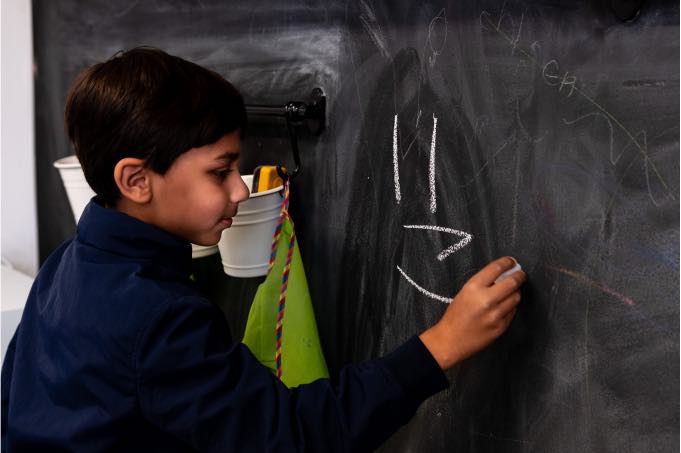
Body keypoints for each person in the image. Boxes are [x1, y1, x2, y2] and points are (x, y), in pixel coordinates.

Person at [1, 47, 526, 452]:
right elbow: (291, 439)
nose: (241, 189)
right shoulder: (158, 319)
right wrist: (441, 345)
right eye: (220, 171)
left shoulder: (68, 267)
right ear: (137, 180)